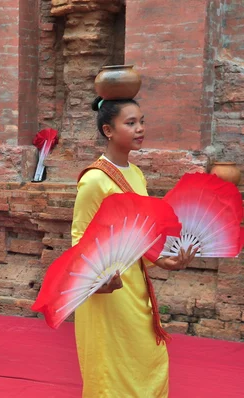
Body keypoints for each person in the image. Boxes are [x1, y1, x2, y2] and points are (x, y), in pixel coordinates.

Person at [72, 96, 196, 397]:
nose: (140, 129)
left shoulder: (136, 174)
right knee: (112, 370)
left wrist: (162, 259)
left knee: (148, 359)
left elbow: (143, 235)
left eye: (142, 122)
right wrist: (100, 279)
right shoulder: (95, 181)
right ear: (108, 130)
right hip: (107, 290)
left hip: (135, 285)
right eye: (131, 123)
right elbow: (79, 239)